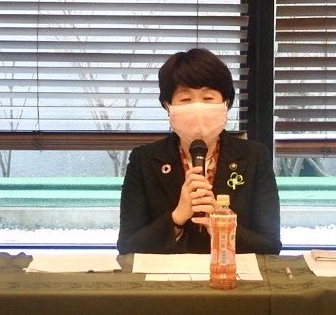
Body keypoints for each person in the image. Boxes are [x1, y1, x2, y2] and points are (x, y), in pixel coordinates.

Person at [118, 48, 282, 255]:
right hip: (168, 275)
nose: (198, 108)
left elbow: (270, 246)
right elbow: (127, 247)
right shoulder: (144, 160)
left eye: (208, 98)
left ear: (226, 104)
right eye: (186, 100)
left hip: (231, 273)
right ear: (168, 107)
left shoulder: (255, 157)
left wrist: (222, 225)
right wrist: (176, 218)